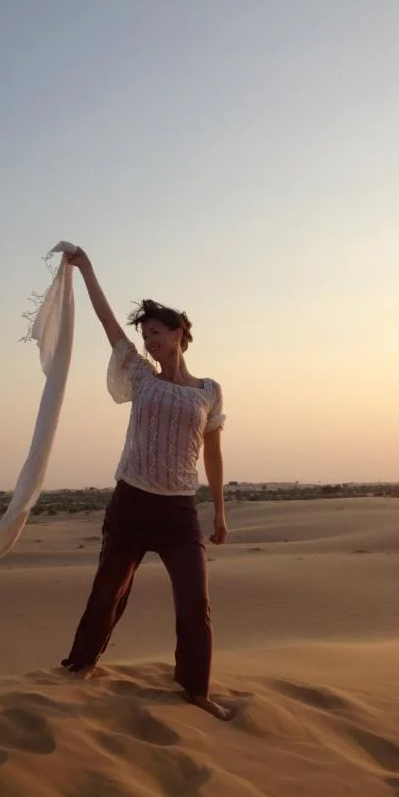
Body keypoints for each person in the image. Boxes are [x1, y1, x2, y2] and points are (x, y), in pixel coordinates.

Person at [60, 247, 232, 720]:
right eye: (145, 335)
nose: (149, 340)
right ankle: (79, 667)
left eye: (156, 332)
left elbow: (213, 453)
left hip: (179, 513)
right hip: (132, 504)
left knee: (195, 604)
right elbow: (106, 319)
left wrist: (218, 510)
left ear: (179, 333)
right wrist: (87, 268)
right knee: (108, 592)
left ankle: (196, 689)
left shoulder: (209, 391)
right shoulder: (139, 375)